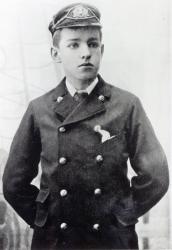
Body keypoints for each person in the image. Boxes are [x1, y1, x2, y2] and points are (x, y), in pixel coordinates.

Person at [3, 3, 169, 250]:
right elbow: (13, 184)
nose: (86, 52)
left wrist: (123, 215)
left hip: (111, 240)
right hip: (56, 241)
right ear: (55, 53)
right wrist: (44, 219)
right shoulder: (39, 110)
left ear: (101, 49)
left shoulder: (126, 105)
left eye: (92, 44)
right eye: (74, 44)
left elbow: (156, 176)